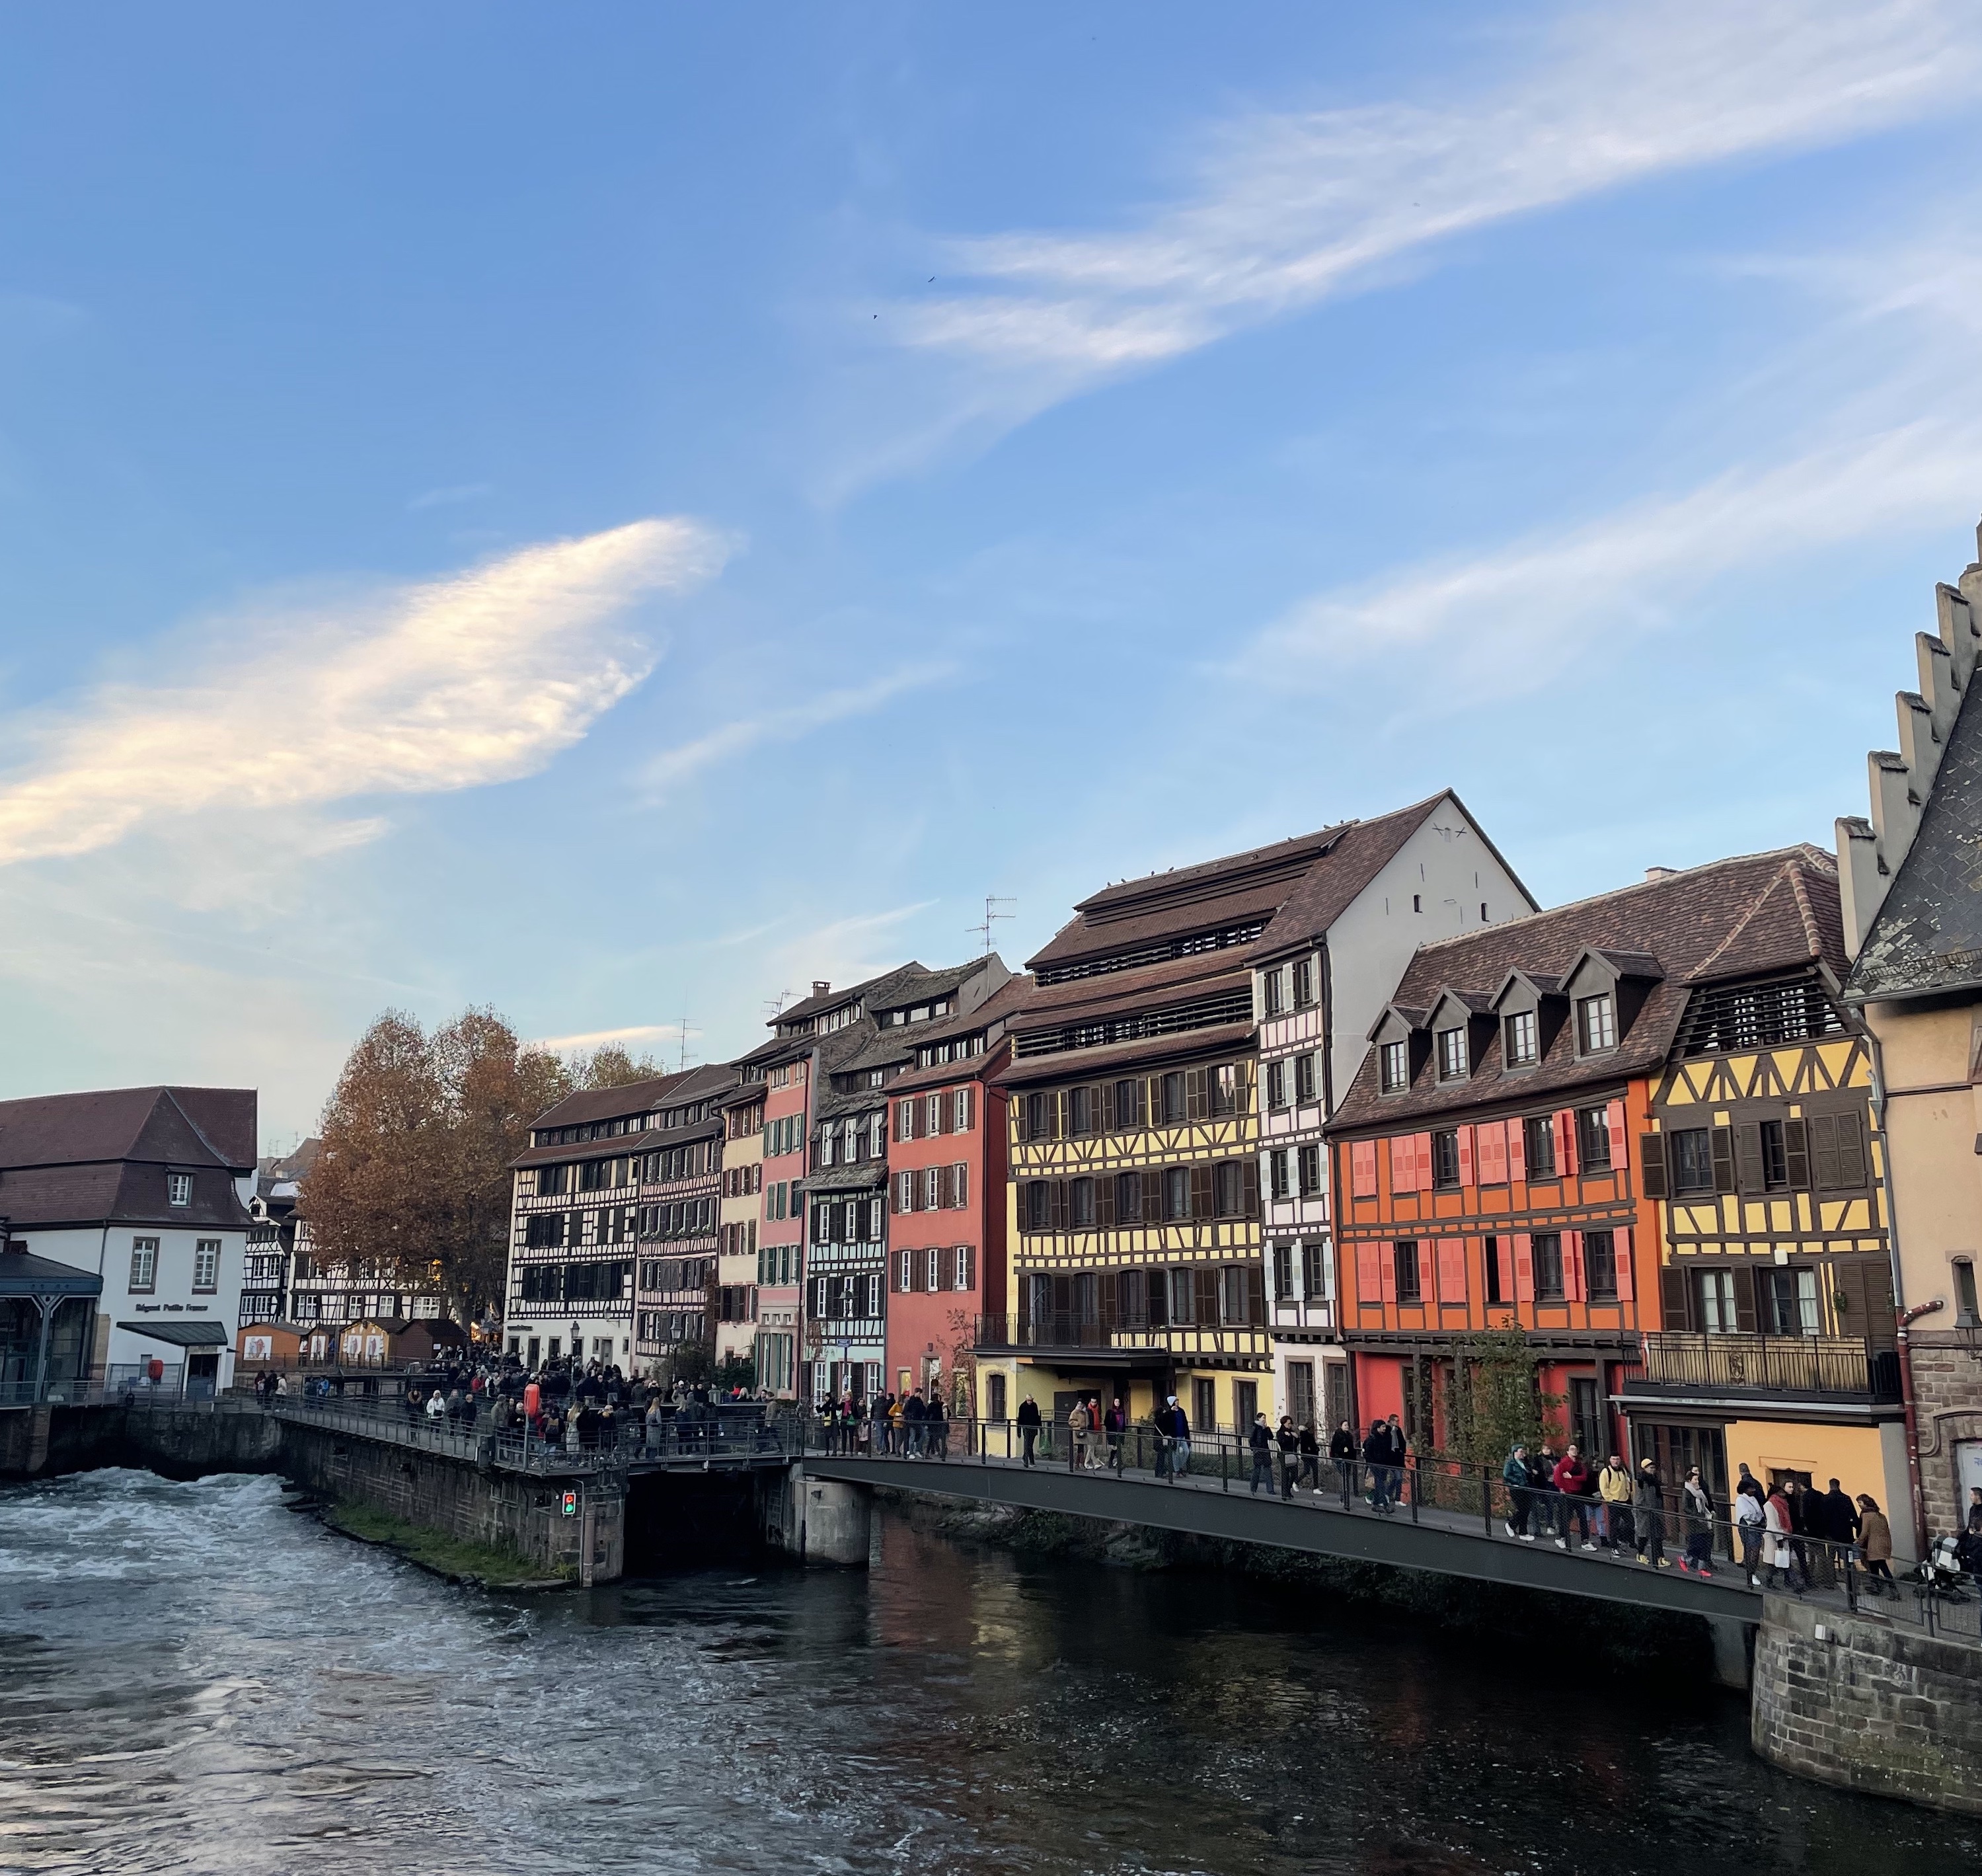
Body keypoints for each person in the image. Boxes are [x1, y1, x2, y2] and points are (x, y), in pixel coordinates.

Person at [1553, 1444, 1593, 1551]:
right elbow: (1557, 1477)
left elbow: (1584, 1477)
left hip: (1578, 1493)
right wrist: (1562, 1489)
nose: (1574, 1451)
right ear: (1567, 1452)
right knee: (1567, 1517)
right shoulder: (1563, 1463)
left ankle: (1585, 1540)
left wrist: (1572, 1477)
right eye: (1572, 1449)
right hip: (1568, 1494)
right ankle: (1562, 1537)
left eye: (1575, 1449)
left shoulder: (1579, 1464)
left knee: (1583, 1517)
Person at [1763, 1480, 1800, 1590]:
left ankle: (1789, 1581)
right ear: (1776, 1493)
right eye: (1781, 1492)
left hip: (1783, 1535)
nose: (1784, 1494)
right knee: (1773, 1562)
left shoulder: (1783, 1504)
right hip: (1774, 1537)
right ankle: (1769, 1582)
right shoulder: (1769, 1505)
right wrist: (1780, 1538)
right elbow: (1772, 1524)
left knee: (1784, 1560)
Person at [1856, 1495, 1895, 1596]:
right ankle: (1891, 1589)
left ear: (1865, 1503)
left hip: (1874, 1545)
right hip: (1885, 1544)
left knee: (1875, 1569)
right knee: (1882, 1566)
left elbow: (1864, 1532)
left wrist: (1858, 1542)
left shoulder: (1866, 1515)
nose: (1859, 1505)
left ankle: (1879, 1589)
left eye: (1860, 1503)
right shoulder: (1881, 1515)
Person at [1679, 1466, 1715, 1577]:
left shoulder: (1699, 1491)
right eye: (1695, 1480)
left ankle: (1701, 1568)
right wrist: (1696, 1515)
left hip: (1703, 1520)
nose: (1697, 1481)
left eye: (1697, 1479)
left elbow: (1705, 1502)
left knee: (1704, 1544)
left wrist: (1708, 1512)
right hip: (1695, 1522)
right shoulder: (1687, 1492)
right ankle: (1683, 1558)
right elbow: (1685, 1507)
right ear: (1689, 1481)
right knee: (1696, 1544)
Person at [1635, 1458, 1669, 1569]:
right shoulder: (1641, 1481)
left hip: (1655, 1513)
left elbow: (1658, 1497)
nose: (1652, 1470)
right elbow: (1639, 1501)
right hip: (1646, 1514)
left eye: (1654, 1468)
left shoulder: (1654, 1481)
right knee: (1644, 1536)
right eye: (1650, 1467)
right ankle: (1640, 1554)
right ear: (1645, 1468)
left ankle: (1660, 1557)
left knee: (1658, 1537)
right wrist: (1648, 1509)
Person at [1598, 1453, 1634, 1555]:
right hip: (1613, 1502)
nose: (1616, 1461)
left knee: (1630, 1523)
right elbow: (1603, 1487)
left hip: (1624, 1501)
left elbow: (1627, 1484)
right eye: (1614, 1459)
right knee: (1614, 1525)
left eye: (1617, 1459)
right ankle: (1614, 1546)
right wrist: (1610, 1499)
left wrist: (1629, 1496)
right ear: (1610, 1460)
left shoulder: (1623, 1470)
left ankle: (1622, 1540)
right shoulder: (1606, 1472)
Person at [1735, 1477, 1767, 1586]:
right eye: (1751, 1488)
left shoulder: (1753, 1498)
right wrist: (1758, 1519)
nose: (1753, 1490)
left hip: (1756, 1527)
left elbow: (1759, 1511)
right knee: (1751, 1552)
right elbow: (1747, 1515)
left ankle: (1753, 1572)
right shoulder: (1740, 1500)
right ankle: (1751, 1574)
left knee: (1756, 1551)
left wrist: (1760, 1519)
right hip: (1748, 1528)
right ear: (1745, 1489)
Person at [1363, 1421, 1394, 1513]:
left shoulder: (1384, 1438)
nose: (1384, 1428)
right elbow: (1367, 1453)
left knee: (1379, 1485)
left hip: (1383, 1465)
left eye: (1385, 1427)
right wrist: (1372, 1462)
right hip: (1376, 1465)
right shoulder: (1371, 1439)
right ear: (1377, 1428)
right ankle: (1385, 1506)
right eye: (1383, 1427)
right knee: (1381, 1485)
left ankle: (1376, 1504)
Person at [1503, 1444, 1532, 1539]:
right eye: (1520, 1451)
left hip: (1525, 1488)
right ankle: (1511, 1525)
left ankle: (1523, 1532)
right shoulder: (1510, 1463)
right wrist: (1518, 1482)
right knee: (1522, 1509)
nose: (1522, 1453)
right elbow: (1507, 1475)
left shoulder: (1523, 1462)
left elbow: (1528, 1472)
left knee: (1526, 1510)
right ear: (1515, 1452)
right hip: (1516, 1488)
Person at [1329, 1421, 1357, 1503]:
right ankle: (1344, 1497)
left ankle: (1345, 1497)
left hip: (1348, 1458)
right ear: (1341, 1426)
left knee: (1347, 1477)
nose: (1347, 1427)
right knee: (1344, 1477)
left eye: (1348, 1425)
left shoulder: (1349, 1435)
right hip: (1340, 1458)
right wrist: (1336, 1456)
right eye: (1345, 1425)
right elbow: (1334, 1447)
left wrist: (1353, 1457)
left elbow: (1351, 1447)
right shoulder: (1338, 1435)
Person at [1248, 1412, 1274, 1495]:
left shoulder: (1264, 1428)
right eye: (1263, 1418)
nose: (1264, 1420)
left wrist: (1267, 1428)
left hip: (1265, 1450)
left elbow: (1271, 1437)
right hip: (1259, 1451)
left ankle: (1270, 1490)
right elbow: (1251, 1439)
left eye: (1265, 1418)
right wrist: (1255, 1449)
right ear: (1259, 1419)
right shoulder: (1256, 1427)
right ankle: (1253, 1488)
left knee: (1268, 1469)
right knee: (1257, 1470)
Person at [1167, 1395, 1192, 1479]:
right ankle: (1177, 1470)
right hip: (1175, 1436)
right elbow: (1168, 1421)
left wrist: (1187, 1436)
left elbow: (1185, 1423)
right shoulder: (1170, 1412)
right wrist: (1171, 1412)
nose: (1177, 1402)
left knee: (1186, 1452)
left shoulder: (1181, 1411)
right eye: (1176, 1401)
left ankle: (1180, 1467)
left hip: (1183, 1435)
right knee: (1176, 1454)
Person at [1067, 1397, 1090, 1473]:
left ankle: (1077, 1464)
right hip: (1077, 1431)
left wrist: (1085, 1426)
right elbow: (1070, 1422)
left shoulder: (1085, 1412)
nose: (1080, 1405)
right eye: (1078, 1404)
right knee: (1081, 1447)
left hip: (1084, 1431)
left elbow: (1088, 1421)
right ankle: (1081, 1464)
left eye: (1081, 1404)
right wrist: (1079, 1424)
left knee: (1082, 1448)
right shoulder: (1074, 1412)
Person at [1017, 1395, 1042, 1467]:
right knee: (1029, 1445)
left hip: (1033, 1428)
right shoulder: (1023, 1406)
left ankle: (1025, 1458)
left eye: (1031, 1400)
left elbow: (1037, 1417)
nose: (1030, 1402)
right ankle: (1031, 1462)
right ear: (1026, 1400)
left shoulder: (1034, 1406)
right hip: (1026, 1428)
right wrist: (1019, 1431)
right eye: (1028, 1400)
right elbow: (1020, 1419)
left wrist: (1040, 1428)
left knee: (1029, 1445)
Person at [1298, 1421, 1321, 1494]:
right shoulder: (1306, 1435)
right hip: (1309, 1455)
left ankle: (1316, 1488)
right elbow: (1309, 1445)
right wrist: (1315, 1449)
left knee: (1314, 1471)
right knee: (1307, 1471)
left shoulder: (1306, 1434)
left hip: (1311, 1455)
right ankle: (1296, 1481)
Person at [1104, 1397, 1127, 1473]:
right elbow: (1106, 1422)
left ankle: (1112, 1462)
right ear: (1113, 1402)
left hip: (1120, 1432)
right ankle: (1119, 1463)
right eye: (1116, 1401)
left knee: (1117, 1447)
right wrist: (1110, 1429)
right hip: (1113, 1432)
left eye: (1118, 1401)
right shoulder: (1110, 1412)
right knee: (1116, 1447)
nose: (1117, 1403)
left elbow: (1123, 1423)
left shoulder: (1122, 1411)